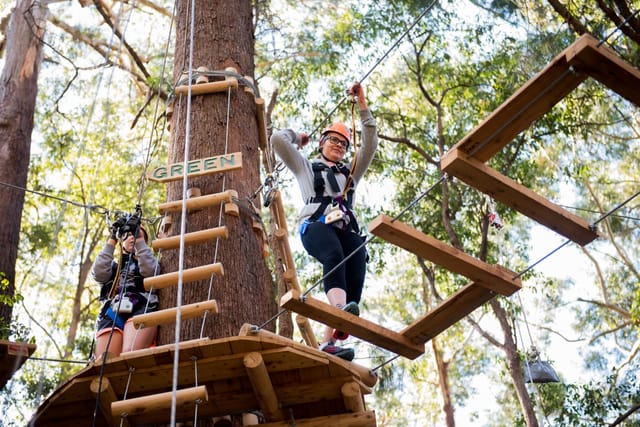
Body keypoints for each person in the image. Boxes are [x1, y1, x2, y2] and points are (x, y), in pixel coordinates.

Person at [270, 82, 378, 361]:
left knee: (355, 260)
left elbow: (371, 143)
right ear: (322, 143)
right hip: (316, 225)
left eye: (343, 144)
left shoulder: (351, 173)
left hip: (345, 227)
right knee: (334, 254)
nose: (339, 147)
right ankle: (340, 312)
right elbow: (277, 140)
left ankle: (329, 340)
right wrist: (298, 137)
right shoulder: (305, 166)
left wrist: (362, 103)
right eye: (333, 141)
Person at [91, 215, 160, 360]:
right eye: (127, 236)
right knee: (105, 360)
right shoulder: (113, 268)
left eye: (135, 234)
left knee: (130, 354)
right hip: (113, 310)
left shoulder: (150, 262)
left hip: (142, 306)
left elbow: (151, 272)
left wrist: (139, 240)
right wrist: (112, 238)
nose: (132, 238)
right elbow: (98, 273)